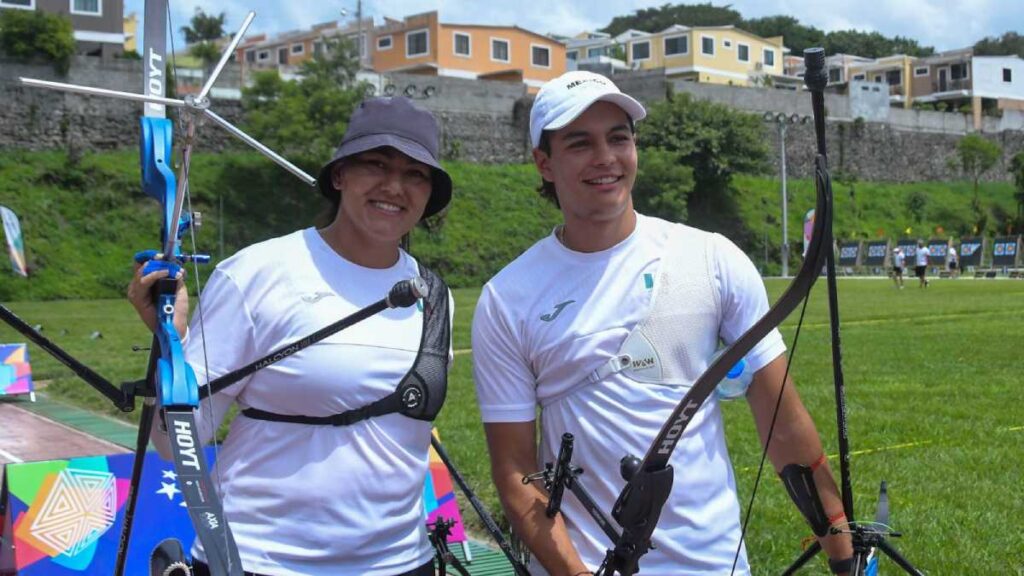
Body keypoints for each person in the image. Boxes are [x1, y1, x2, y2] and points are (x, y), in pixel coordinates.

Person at [471, 71, 854, 576]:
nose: (605, 157)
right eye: (580, 143)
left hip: (714, 563)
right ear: (544, 163)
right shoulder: (507, 298)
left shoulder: (710, 258)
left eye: (619, 138)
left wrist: (845, 557)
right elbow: (517, 471)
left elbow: (783, 423)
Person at [128, 97, 454, 576]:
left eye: (415, 174)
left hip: (402, 561)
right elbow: (177, 441)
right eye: (376, 164)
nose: (394, 186)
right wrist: (171, 346)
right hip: (261, 559)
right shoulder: (258, 273)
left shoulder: (434, 295)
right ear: (340, 174)